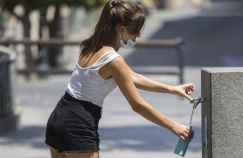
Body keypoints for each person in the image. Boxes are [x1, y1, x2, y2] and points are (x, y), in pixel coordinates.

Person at [45, 0, 195, 158]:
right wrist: (174, 127)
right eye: (136, 30)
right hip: (79, 125)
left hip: (58, 118)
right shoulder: (114, 60)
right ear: (121, 29)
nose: (138, 35)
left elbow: (131, 77)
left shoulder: (89, 46)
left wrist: (173, 89)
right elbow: (138, 105)